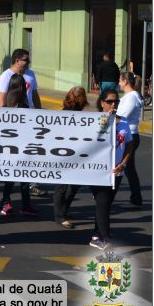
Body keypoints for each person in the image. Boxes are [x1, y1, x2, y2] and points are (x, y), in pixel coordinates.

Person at [0, 48, 46, 198]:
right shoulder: (6, 76)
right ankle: (7, 193)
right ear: (17, 61)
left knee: (32, 153)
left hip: (30, 121)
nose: (28, 62)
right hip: (14, 124)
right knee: (15, 157)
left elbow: (35, 94)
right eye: (26, 60)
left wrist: (40, 113)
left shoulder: (30, 74)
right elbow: (1, 102)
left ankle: (33, 184)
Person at [89, 89, 132, 250]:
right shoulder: (93, 121)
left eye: (116, 102)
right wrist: (108, 122)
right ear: (102, 102)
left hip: (117, 171)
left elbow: (129, 145)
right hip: (98, 172)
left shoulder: (124, 122)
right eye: (110, 101)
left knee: (106, 204)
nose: (114, 104)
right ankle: (105, 237)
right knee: (102, 202)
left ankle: (96, 235)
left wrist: (123, 163)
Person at [0, 73, 39, 217]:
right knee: (20, 177)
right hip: (18, 146)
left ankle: (8, 203)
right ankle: (18, 204)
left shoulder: (7, 104)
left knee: (16, 178)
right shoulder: (21, 104)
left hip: (12, 146)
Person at [53, 87, 88, 229]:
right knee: (61, 186)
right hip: (63, 155)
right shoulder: (66, 113)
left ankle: (64, 210)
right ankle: (59, 216)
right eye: (82, 97)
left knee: (75, 184)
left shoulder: (78, 112)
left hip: (75, 154)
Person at [116, 71, 144, 207]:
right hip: (128, 134)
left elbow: (122, 115)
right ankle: (136, 198)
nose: (118, 83)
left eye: (120, 80)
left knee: (123, 166)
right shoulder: (130, 96)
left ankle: (136, 199)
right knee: (128, 168)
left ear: (125, 82)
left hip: (130, 136)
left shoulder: (131, 97)